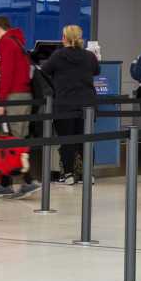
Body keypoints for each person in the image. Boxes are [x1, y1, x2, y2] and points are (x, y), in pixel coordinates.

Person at [0, 16, 40, 198]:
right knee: (11, 138)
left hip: (14, 97)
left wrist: (1, 103)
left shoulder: (6, 43)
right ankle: (5, 183)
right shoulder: (17, 42)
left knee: (14, 141)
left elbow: (7, 75)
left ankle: (28, 181)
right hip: (23, 95)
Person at [41, 25, 100, 184]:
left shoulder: (58, 55)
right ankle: (88, 174)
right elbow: (96, 70)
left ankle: (68, 174)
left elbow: (44, 70)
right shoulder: (89, 56)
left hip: (65, 104)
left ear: (64, 38)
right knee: (85, 140)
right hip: (87, 104)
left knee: (67, 141)